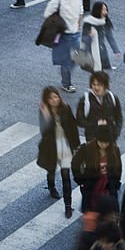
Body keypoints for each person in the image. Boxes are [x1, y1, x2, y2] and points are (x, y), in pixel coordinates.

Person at [37, 85, 81, 218]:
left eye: (56, 96)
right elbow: (44, 132)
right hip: (51, 146)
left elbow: (73, 128)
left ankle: (68, 205)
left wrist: (76, 146)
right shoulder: (44, 111)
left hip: (65, 145)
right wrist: (47, 118)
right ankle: (51, 186)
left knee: (66, 175)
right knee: (51, 170)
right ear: (46, 100)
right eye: (51, 98)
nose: (54, 100)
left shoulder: (65, 108)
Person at [44, 0, 84, 93]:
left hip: (75, 32)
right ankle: (66, 83)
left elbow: (81, 10)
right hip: (63, 35)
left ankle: (65, 69)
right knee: (66, 60)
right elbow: (47, 14)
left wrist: (79, 24)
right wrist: (58, 25)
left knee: (79, 56)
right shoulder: (57, 1)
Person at [72, 125, 123, 213]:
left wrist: (116, 182)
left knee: (108, 210)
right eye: (101, 142)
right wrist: (80, 180)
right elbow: (75, 163)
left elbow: (118, 168)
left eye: (106, 142)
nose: (103, 145)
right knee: (92, 209)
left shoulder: (115, 150)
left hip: (108, 184)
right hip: (92, 184)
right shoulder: (87, 148)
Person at [76, 70, 123, 142]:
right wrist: (95, 124)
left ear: (105, 85)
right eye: (94, 84)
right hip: (92, 139)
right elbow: (79, 120)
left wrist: (115, 134)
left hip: (110, 138)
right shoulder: (85, 100)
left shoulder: (112, 97)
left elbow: (119, 117)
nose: (96, 88)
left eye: (99, 85)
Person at [82, 1, 121, 73]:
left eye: (106, 9)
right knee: (96, 71)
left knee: (101, 71)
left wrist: (116, 50)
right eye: (103, 10)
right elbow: (83, 38)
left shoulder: (105, 22)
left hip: (102, 51)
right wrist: (89, 36)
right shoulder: (89, 22)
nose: (105, 12)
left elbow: (110, 37)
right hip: (90, 51)